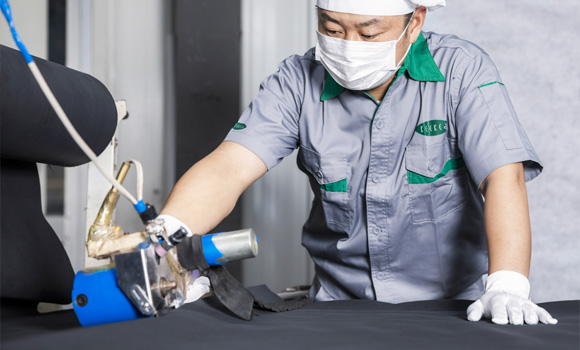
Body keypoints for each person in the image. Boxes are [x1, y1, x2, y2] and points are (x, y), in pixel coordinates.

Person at [159, 0, 557, 325]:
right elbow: (229, 166)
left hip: (454, 307)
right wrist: (165, 237)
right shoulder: (297, 82)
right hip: (339, 305)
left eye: (368, 33)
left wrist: (507, 284)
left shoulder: (461, 71)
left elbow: (503, 178)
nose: (348, 45)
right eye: (332, 29)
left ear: (414, 22)